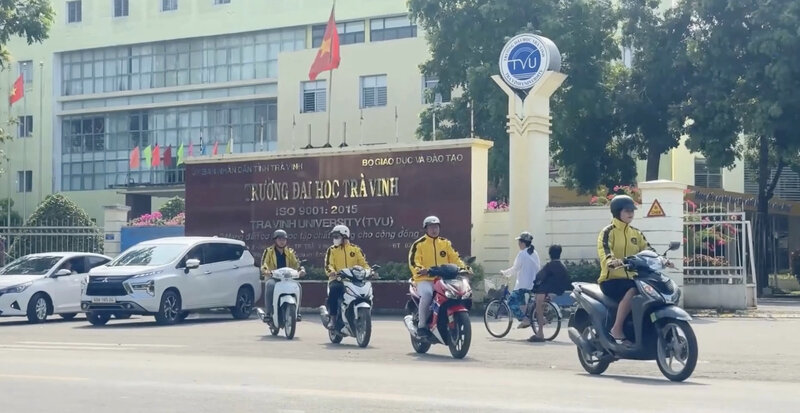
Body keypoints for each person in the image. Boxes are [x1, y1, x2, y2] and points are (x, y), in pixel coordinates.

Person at [597, 195, 665, 345]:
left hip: (634, 278)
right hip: (612, 280)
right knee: (634, 290)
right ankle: (616, 329)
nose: (631, 213)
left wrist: (662, 259)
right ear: (617, 212)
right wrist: (611, 261)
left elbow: (648, 250)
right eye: (627, 211)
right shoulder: (608, 232)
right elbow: (604, 250)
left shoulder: (636, 233)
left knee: (652, 288)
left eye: (632, 211)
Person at [408, 216, 467, 339]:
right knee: (427, 295)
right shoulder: (419, 244)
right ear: (426, 229)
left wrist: (464, 268)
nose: (434, 230)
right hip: (425, 279)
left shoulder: (445, 243)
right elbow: (414, 261)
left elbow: (455, 258)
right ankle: (422, 326)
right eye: (431, 227)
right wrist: (420, 270)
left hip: (444, 279)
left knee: (456, 294)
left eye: (436, 227)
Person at [324, 224, 369, 329]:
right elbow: (328, 265)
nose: (334, 239)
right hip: (337, 280)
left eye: (337, 236)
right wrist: (332, 272)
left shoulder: (356, 249)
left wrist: (369, 271)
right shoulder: (332, 250)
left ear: (345, 236)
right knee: (334, 290)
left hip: (353, 280)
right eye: (334, 237)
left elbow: (364, 264)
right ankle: (333, 318)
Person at [530, 244, 572, 342]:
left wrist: (534, 284)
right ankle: (543, 316)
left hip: (545, 290)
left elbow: (539, 276)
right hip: (558, 291)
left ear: (550, 254)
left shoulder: (549, 265)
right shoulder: (563, 266)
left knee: (538, 305)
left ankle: (540, 333)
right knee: (543, 302)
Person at [260, 229, 305, 319]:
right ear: (275, 240)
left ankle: (297, 312)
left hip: (287, 278)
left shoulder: (290, 252)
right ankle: (268, 313)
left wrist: (301, 270)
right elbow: (264, 264)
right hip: (273, 277)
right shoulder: (268, 251)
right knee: (270, 285)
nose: (282, 241)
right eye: (279, 239)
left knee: (298, 286)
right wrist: (266, 271)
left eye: (284, 239)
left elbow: (297, 264)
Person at [501, 232, 541, 331]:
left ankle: (524, 320)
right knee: (522, 302)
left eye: (519, 242)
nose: (518, 244)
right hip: (534, 284)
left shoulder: (522, 254)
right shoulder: (534, 253)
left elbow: (515, 268)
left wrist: (505, 273)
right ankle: (526, 319)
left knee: (511, 302)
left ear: (523, 243)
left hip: (523, 285)